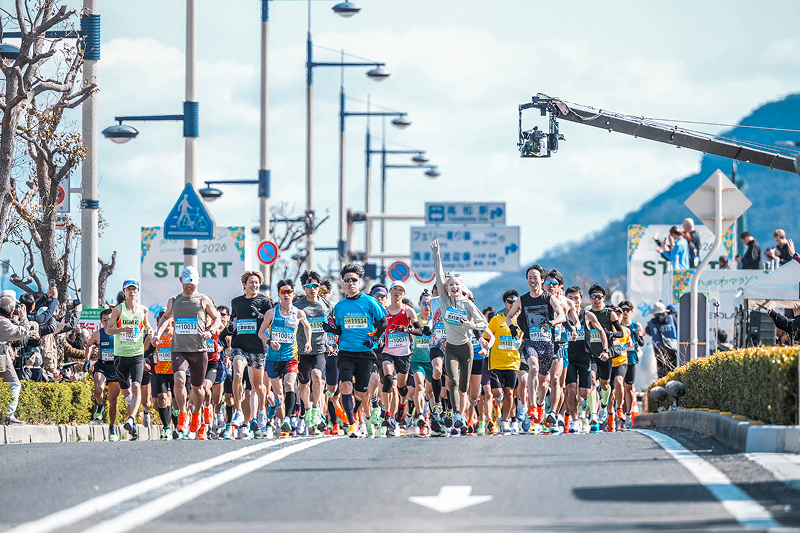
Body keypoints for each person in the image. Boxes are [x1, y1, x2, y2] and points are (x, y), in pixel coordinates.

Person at [153, 266, 221, 439]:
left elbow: (217, 318)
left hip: (198, 350)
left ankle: (196, 415)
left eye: (192, 283)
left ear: (197, 281)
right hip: (179, 349)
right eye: (186, 283)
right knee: (179, 379)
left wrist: (210, 330)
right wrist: (157, 334)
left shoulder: (203, 300)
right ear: (180, 280)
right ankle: (183, 414)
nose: (189, 286)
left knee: (198, 391)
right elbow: (166, 317)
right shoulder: (173, 300)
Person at [431, 240, 489, 433]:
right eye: (451, 284)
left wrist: (470, 325)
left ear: (462, 287)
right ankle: (457, 415)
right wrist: (436, 254)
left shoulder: (468, 305)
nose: (454, 287)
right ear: (446, 288)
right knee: (453, 382)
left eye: (457, 284)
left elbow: (483, 324)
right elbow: (439, 276)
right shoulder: (445, 301)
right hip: (451, 348)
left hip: (467, 348)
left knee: (464, 387)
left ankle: (464, 414)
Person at [323, 263, 387, 436]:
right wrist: (330, 330)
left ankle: (354, 413)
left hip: (366, 353)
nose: (351, 283)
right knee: (345, 385)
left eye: (354, 280)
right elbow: (339, 329)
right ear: (342, 283)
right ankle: (352, 423)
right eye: (347, 280)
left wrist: (373, 338)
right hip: (346, 352)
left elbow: (383, 322)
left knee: (360, 392)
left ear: (359, 282)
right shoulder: (339, 306)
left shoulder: (369, 301)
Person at [506, 264, 565, 426]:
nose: (532, 280)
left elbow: (562, 317)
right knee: (533, 369)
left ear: (542, 280)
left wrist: (551, 323)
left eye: (535, 278)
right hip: (530, 342)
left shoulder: (549, 298)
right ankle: (531, 406)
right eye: (529, 278)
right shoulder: (522, 299)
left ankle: (540, 405)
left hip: (547, 343)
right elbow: (509, 317)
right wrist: (512, 327)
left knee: (544, 381)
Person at [259, 279, 312, 436]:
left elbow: (307, 327)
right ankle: (275, 404)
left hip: (291, 356)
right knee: (278, 393)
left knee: (289, 385)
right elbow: (260, 332)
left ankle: (288, 419)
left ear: (293, 294)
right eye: (283, 292)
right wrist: (269, 341)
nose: (286, 294)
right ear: (279, 295)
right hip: (273, 358)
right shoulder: (271, 313)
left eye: (289, 292)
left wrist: (308, 342)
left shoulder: (299, 313)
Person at [105, 279, 153, 440]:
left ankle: (131, 420)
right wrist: (122, 329)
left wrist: (151, 330)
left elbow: (146, 325)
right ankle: (133, 413)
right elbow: (108, 330)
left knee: (136, 385)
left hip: (137, 355)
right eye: (129, 289)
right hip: (120, 357)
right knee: (126, 393)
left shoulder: (143, 310)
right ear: (124, 292)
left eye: (134, 289)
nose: (132, 292)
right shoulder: (118, 310)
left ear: (138, 292)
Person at [226, 270, 273, 435]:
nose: (254, 285)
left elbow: (272, 323)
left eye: (256, 282)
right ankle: (238, 411)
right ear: (244, 285)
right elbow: (233, 322)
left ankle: (261, 410)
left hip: (258, 347)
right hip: (240, 346)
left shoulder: (266, 302)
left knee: (258, 386)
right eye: (251, 282)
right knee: (237, 375)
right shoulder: (236, 302)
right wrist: (231, 326)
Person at [379, 280, 422, 437]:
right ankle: (388, 415)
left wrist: (408, 329)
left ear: (404, 294)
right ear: (390, 292)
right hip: (387, 351)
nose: (397, 292)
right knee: (388, 378)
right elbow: (375, 327)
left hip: (404, 353)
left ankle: (403, 404)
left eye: (400, 290)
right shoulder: (383, 310)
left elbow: (420, 330)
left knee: (402, 386)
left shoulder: (408, 311)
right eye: (394, 289)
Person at [294, 270, 333, 436]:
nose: (313, 289)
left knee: (317, 378)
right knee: (303, 385)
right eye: (309, 286)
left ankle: (316, 409)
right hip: (302, 350)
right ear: (304, 287)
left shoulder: (326, 305)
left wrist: (331, 343)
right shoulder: (298, 306)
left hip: (320, 348)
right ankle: (307, 410)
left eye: (315, 285)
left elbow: (332, 325)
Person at [486, 289, 522, 435]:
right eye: (509, 301)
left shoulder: (520, 321)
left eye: (515, 301)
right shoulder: (496, 320)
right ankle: (498, 403)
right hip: (496, 362)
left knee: (509, 392)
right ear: (505, 303)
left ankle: (505, 420)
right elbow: (485, 336)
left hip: (512, 362)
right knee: (497, 392)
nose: (512, 304)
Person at [84, 309, 122, 438]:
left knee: (113, 400)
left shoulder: (120, 333)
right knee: (98, 388)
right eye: (104, 320)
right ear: (101, 321)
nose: (107, 322)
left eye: (109, 320)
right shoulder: (97, 334)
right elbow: (89, 345)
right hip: (102, 365)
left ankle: (112, 427)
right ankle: (100, 405)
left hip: (116, 368)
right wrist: (87, 360)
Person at [0, 295, 36, 425]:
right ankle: (9, 415)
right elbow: (21, 332)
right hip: (1, 353)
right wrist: (24, 317)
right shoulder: (3, 322)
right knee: (14, 384)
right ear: (10, 310)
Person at [646, 301, 678, 378]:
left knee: (661, 368)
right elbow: (678, 328)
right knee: (673, 367)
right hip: (673, 346)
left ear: (654, 313)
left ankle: (662, 385)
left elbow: (648, 332)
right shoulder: (671, 318)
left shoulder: (651, 323)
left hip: (658, 348)